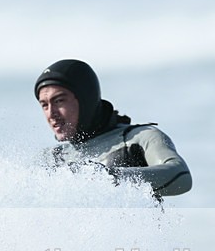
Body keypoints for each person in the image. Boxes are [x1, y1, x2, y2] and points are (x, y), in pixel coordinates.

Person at [35, 59, 192, 198]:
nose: (51, 113)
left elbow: (181, 176)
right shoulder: (51, 159)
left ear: (85, 100)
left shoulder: (137, 139)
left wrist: (108, 177)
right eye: (44, 105)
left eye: (59, 101)